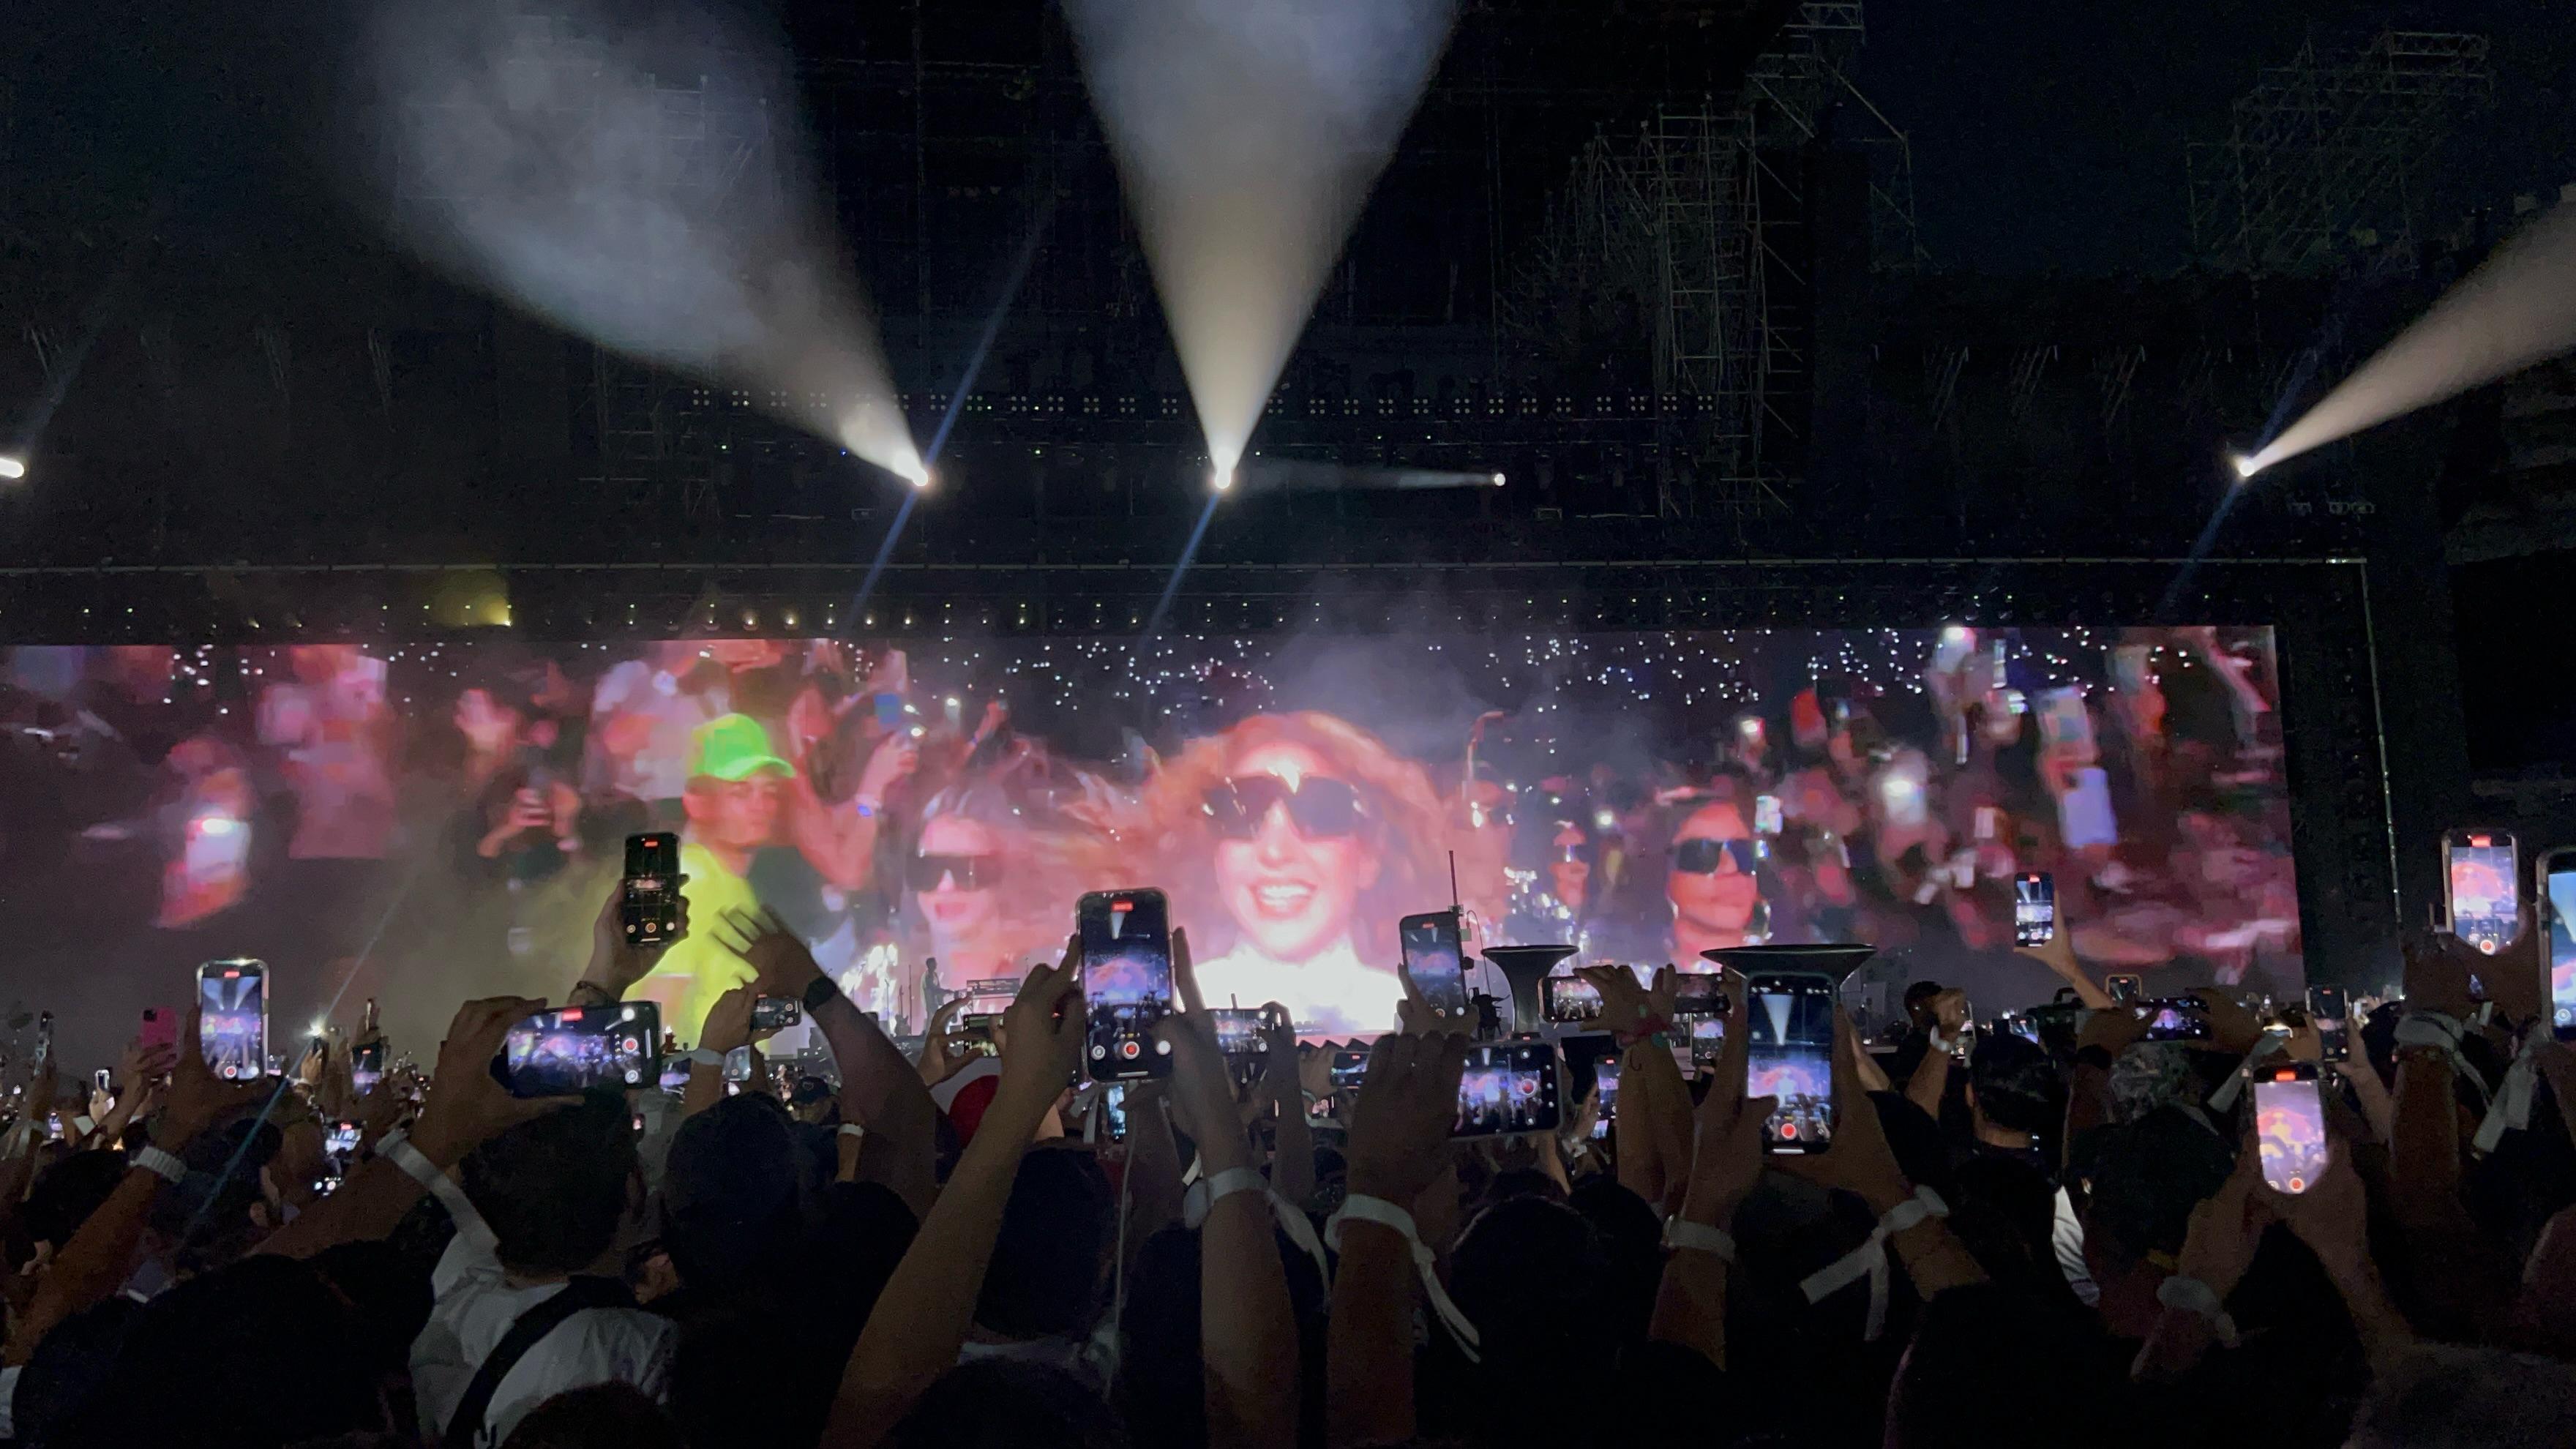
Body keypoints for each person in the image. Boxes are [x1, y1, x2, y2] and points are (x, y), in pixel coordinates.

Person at [1140, 713, 1445, 1035]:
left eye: (1320, 811)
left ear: (1369, 852)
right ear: (1214, 854)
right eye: (1241, 811)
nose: (1275, 852)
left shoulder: (1417, 1024)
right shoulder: (1166, 1021)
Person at [624, 713, 907, 1044]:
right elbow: (661, 1008)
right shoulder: (694, 880)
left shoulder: (732, 880)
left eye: (768, 791)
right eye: (741, 792)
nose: (761, 805)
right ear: (697, 802)